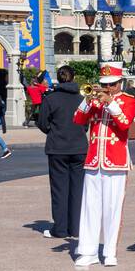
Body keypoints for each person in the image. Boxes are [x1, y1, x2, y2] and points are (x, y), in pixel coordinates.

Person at [72, 63, 135, 269]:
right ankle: (88, 251)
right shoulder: (95, 100)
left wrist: (110, 102)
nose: (107, 88)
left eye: (111, 84)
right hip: (94, 160)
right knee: (90, 208)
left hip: (115, 161)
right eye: (104, 84)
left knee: (112, 209)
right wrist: (87, 100)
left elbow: (125, 124)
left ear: (120, 83)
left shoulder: (128, 100)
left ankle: (109, 252)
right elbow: (78, 119)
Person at [37, 64, 88, 240]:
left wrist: (53, 131)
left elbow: (42, 122)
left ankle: (59, 228)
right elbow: (86, 123)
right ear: (73, 78)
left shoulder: (51, 98)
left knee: (59, 188)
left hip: (57, 147)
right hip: (79, 146)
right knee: (77, 188)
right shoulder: (82, 98)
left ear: (58, 79)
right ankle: (75, 228)